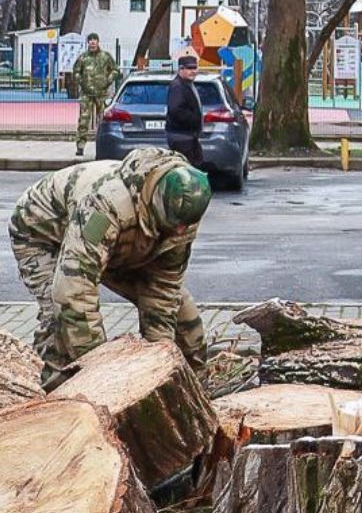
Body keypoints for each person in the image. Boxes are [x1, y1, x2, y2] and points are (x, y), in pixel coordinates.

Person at [9, 147, 211, 389]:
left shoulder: (183, 218)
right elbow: (75, 291)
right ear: (156, 200)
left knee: (184, 321)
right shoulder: (106, 206)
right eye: (174, 225)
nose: (179, 232)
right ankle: (54, 394)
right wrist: (102, 374)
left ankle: (197, 393)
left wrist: (160, 362)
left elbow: (163, 291)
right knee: (60, 318)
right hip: (42, 235)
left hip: (121, 245)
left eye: (183, 227)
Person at [71, 33, 119, 157]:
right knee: (84, 120)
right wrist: (81, 81)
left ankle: (103, 146)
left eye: (94, 40)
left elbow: (115, 70)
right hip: (86, 94)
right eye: (90, 40)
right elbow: (76, 71)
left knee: (103, 121)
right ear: (88, 43)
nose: (92, 42)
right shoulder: (83, 58)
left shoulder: (105, 57)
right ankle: (80, 146)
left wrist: (108, 80)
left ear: (98, 42)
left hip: (101, 94)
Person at [166, 55, 205, 168]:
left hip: (188, 136)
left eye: (194, 68)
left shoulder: (187, 84)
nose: (193, 71)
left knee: (195, 165)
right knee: (187, 168)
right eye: (189, 68)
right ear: (181, 69)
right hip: (181, 137)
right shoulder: (178, 86)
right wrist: (193, 119)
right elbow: (176, 110)